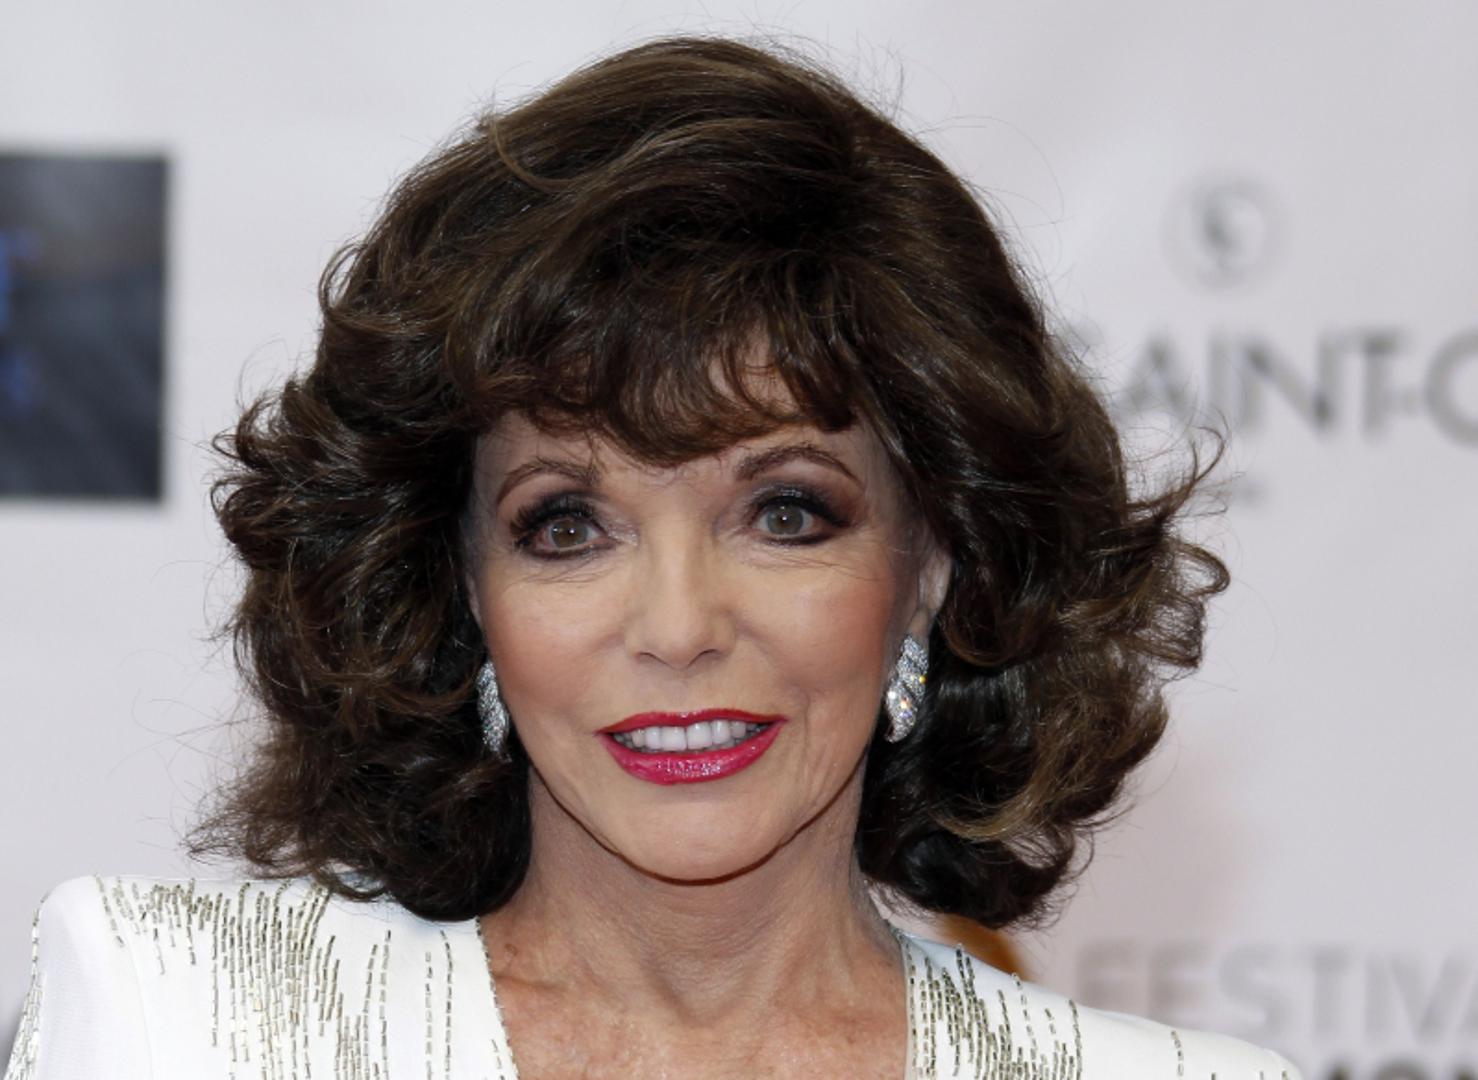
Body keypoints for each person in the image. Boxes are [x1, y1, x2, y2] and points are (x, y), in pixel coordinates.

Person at [4, 36, 1302, 1079]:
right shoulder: (179, 1025)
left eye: (784, 514)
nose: (678, 627)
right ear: (458, 585)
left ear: (935, 564)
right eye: (567, 525)